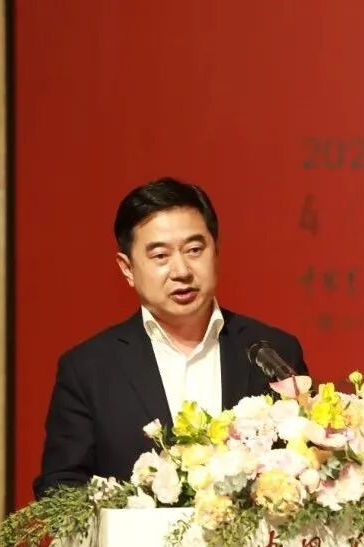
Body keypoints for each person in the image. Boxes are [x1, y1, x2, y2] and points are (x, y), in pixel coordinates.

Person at [33, 177, 309, 498]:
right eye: (160, 256)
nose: (181, 271)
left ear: (216, 251)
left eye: (194, 250)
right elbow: (61, 487)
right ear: (127, 268)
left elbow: (306, 464)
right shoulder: (88, 370)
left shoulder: (272, 351)